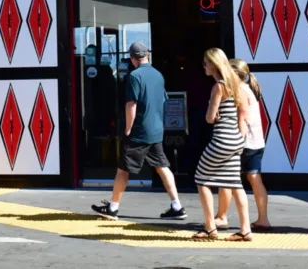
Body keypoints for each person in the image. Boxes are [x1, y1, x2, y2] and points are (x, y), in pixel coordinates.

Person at [92, 41, 186, 221]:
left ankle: (113, 208)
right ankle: (177, 206)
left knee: (122, 169)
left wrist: (127, 129)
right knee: (162, 167)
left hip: (139, 131)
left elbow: (131, 104)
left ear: (133, 58)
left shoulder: (134, 76)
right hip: (156, 130)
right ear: (147, 55)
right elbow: (162, 101)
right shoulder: (158, 75)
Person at [192, 47, 252, 241]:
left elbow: (209, 119)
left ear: (214, 64)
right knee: (236, 185)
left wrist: (213, 113)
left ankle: (210, 227)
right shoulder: (237, 85)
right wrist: (241, 142)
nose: (204, 67)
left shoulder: (218, 86)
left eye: (206, 63)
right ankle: (245, 230)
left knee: (201, 179)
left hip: (221, 140)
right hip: (236, 141)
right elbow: (242, 116)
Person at [214, 58, 271, 231]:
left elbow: (242, 117)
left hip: (243, 141)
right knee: (255, 178)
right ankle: (263, 219)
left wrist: (237, 140)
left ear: (234, 73)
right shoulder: (249, 89)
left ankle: (221, 217)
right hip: (257, 141)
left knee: (226, 178)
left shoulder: (237, 90)